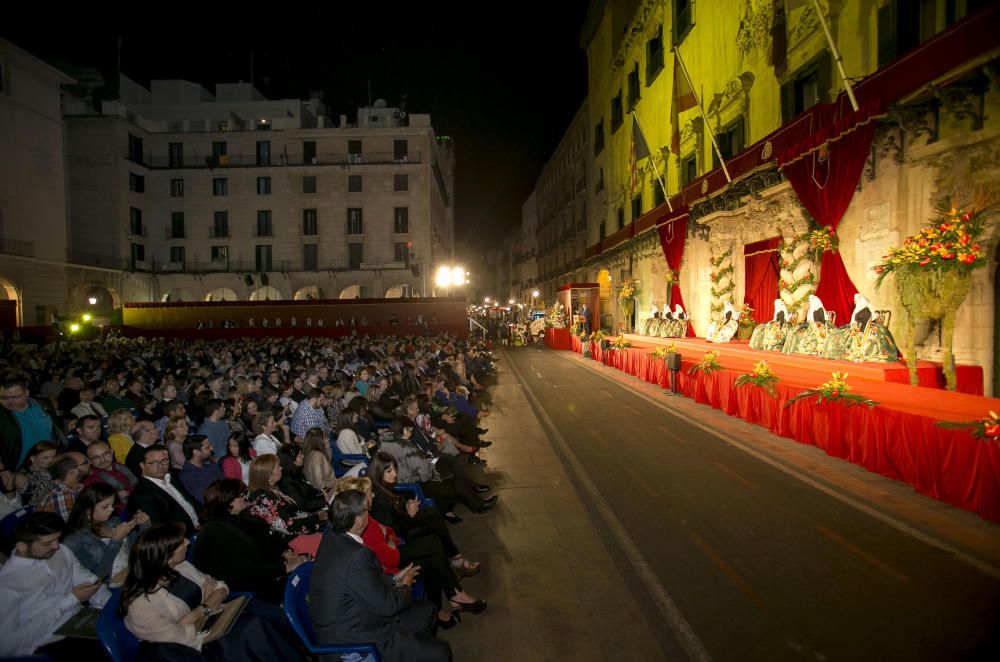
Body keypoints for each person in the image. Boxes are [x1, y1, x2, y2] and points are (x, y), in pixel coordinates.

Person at [119, 523, 304, 659]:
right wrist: (203, 609)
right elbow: (182, 638)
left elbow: (220, 587)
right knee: (252, 630)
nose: (186, 543)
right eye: (180, 543)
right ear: (166, 557)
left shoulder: (181, 566)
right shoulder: (140, 604)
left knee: (268, 618)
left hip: (212, 619)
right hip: (196, 648)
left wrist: (197, 613)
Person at [310, 489, 451, 662]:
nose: (369, 514)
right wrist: (405, 585)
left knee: (428, 610)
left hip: (352, 617)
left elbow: (361, 581)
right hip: (354, 641)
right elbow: (389, 605)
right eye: (366, 511)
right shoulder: (356, 555)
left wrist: (394, 578)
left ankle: (411, 648)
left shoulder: (332, 535)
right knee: (442, 651)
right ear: (357, 519)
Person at [0, 511, 112, 659]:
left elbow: (89, 581)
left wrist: (113, 607)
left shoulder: (60, 552)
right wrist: (69, 601)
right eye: (47, 543)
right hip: (48, 641)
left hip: (79, 620)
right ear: (21, 546)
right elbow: (8, 646)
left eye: (57, 539)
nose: (56, 546)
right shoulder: (7, 585)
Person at [368, 452, 483, 582]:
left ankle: (454, 562)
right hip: (399, 539)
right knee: (433, 519)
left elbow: (395, 509)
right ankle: (456, 560)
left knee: (433, 517)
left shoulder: (384, 487)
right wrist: (410, 515)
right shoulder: (377, 499)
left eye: (395, 469)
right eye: (389, 471)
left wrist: (406, 505)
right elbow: (393, 531)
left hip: (403, 523)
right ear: (378, 472)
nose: (394, 474)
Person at [192, 478, 307, 604]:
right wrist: (286, 567)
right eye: (241, 495)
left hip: (271, 571)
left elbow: (269, 539)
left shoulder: (237, 518)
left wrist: (288, 554)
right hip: (253, 591)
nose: (245, 498)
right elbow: (245, 573)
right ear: (227, 502)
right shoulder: (215, 532)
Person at [62, 482, 149, 580]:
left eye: (112, 505)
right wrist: (115, 541)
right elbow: (98, 576)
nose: (111, 509)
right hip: (115, 584)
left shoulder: (113, 521)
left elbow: (138, 549)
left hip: (135, 572)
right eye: (105, 507)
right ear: (87, 509)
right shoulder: (74, 540)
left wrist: (142, 525)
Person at [245, 453, 326, 557]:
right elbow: (287, 527)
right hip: (287, 543)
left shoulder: (270, 489)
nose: (281, 468)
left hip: (296, 533)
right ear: (268, 475)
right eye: (278, 467)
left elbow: (292, 513)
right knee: (333, 542)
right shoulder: (264, 498)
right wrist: (317, 517)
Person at [128, 444, 201, 536]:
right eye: (153, 462)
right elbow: (161, 527)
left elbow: (190, 500)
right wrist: (195, 531)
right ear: (142, 465)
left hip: (199, 526)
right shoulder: (142, 495)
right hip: (182, 537)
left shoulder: (171, 477)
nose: (160, 466)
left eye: (164, 461)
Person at [1, 377, 65, 471]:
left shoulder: (43, 405)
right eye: (4, 398)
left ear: (27, 393)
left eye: (15, 397)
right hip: (17, 469)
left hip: (49, 465)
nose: (10, 401)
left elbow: (56, 429)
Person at [825, 293, 900, 363]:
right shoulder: (864, 309)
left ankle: (857, 354)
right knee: (839, 333)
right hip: (863, 328)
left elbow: (861, 323)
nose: (854, 301)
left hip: (862, 329)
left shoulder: (862, 311)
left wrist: (857, 329)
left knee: (840, 334)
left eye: (855, 300)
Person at [82, 441, 138, 507]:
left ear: (111, 452)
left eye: (105, 454)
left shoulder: (121, 466)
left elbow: (136, 484)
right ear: (89, 460)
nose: (102, 459)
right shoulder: (90, 481)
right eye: (96, 457)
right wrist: (115, 496)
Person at [39, 452, 90, 521]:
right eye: (85, 462)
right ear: (72, 472)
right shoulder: (62, 494)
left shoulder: (76, 486)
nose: (90, 462)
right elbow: (72, 526)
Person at [179, 435, 223, 505]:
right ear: (196, 452)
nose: (211, 448)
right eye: (207, 447)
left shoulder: (211, 465)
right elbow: (205, 501)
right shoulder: (188, 477)